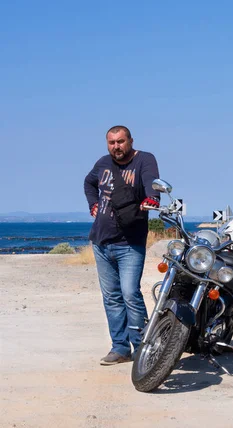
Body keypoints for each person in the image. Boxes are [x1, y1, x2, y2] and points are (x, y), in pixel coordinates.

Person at [84, 125, 160, 365]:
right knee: (111, 298)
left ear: (130, 141)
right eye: (111, 142)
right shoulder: (102, 163)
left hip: (130, 242)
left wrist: (151, 199)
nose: (116, 146)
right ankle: (120, 348)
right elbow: (88, 183)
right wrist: (93, 205)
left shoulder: (144, 160)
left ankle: (142, 349)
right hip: (101, 242)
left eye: (120, 141)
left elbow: (152, 184)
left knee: (130, 294)